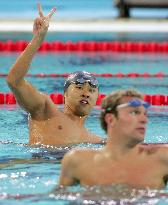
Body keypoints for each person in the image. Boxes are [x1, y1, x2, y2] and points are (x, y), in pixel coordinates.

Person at [6, 3, 102, 146]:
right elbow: (14, 81)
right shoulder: (45, 110)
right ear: (65, 95)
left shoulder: (95, 141)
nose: (86, 93)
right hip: (36, 164)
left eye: (91, 90)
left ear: (97, 98)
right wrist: (38, 39)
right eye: (79, 87)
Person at [59, 89, 168, 189]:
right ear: (111, 119)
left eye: (145, 114)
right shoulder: (77, 161)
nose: (144, 119)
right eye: (134, 112)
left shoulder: (162, 158)